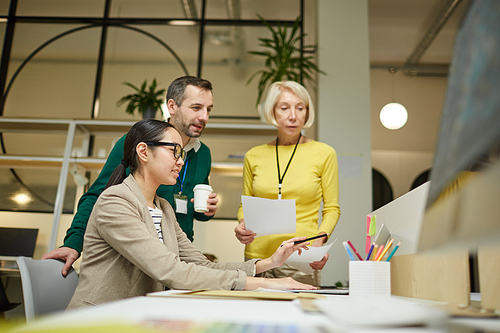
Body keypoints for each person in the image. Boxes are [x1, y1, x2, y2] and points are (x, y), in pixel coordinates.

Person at [67, 119, 315, 309]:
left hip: (139, 315)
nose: (180, 161)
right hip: (100, 320)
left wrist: (270, 263)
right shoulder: (115, 202)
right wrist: (264, 283)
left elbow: (203, 265)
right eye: (174, 151)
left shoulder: (163, 208)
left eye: (182, 153)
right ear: (143, 152)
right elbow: (171, 271)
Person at [43, 76, 218, 276]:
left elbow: (192, 209)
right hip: (136, 258)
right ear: (172, 106)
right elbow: (98, 196)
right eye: (196, 108)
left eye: (209, 109)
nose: (204, 117)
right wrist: (73, 243)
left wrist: (206, 211)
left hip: (178, 257)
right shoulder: (137, 143)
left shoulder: (203, 154)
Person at [234, 81, 341, 286]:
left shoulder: (324, 153)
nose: (293, 115)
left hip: (300, 257)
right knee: (256, 316)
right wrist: (241, 224)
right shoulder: (254, 156)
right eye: (284, 108)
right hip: (258, 259)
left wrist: (319, 244)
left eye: (300, 108)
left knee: (301, 315)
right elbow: (244, 205)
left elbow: (332, 209)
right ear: (272, 112)